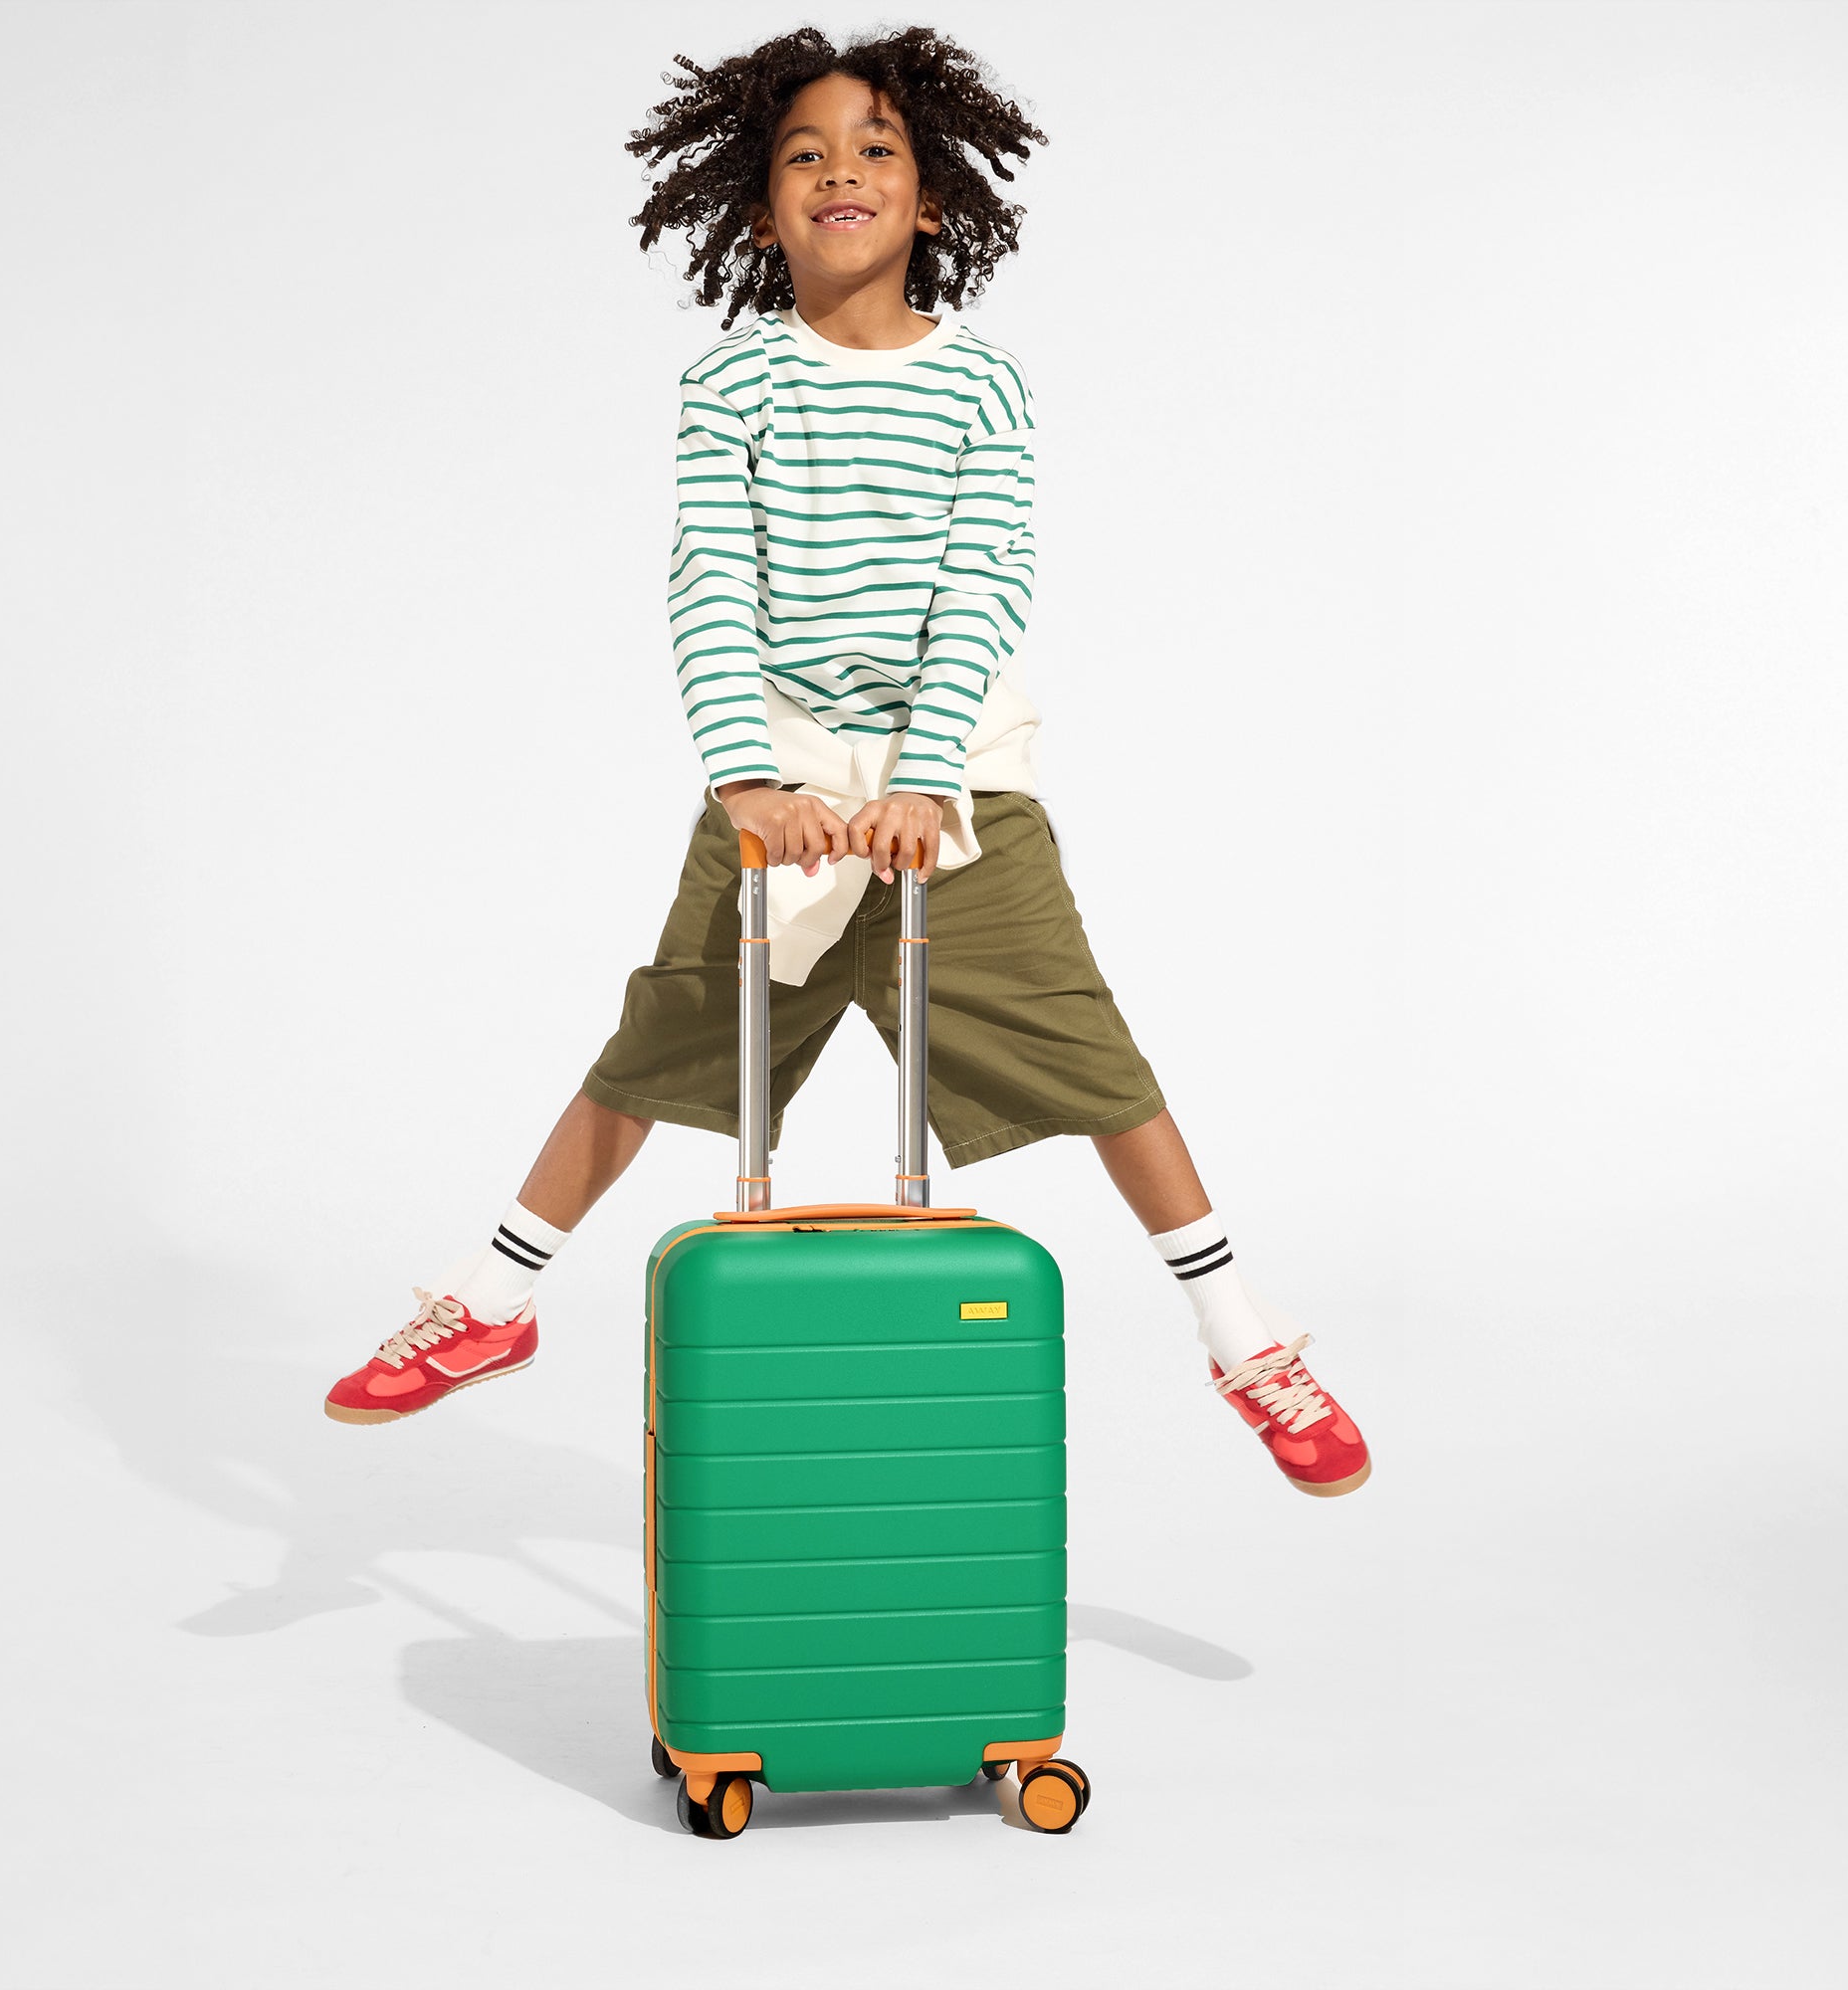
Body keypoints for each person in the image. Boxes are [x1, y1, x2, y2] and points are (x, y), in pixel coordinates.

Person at [321, 24, 1370, 1497]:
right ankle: (488, 1304)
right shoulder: (731, 384)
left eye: (877, 149)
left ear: (932, 198)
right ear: (762, 209)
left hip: (958, 766)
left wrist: (930, 779)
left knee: (1093, 1056)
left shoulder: (984, 384)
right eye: (805, 154)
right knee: (660, 1047)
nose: (841, 172)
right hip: (787, 770)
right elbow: (710, 586)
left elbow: (983, 590)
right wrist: (751, 778)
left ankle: (1243, 1338)